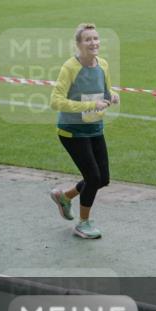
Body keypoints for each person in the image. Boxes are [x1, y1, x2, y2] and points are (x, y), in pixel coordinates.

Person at [49, 23, 119, 239]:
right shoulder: (70, 67)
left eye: (96, 38)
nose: (93, 43)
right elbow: (55, 101)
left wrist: (113, 95)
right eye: (88, 39)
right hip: (71, 131)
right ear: (78, 44)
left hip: (95, 127)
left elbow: (105, 91)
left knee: (103, 178)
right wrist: (88, 105)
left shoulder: (103, 65)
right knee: (93, 176)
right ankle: (83, 223)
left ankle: (65, 197)